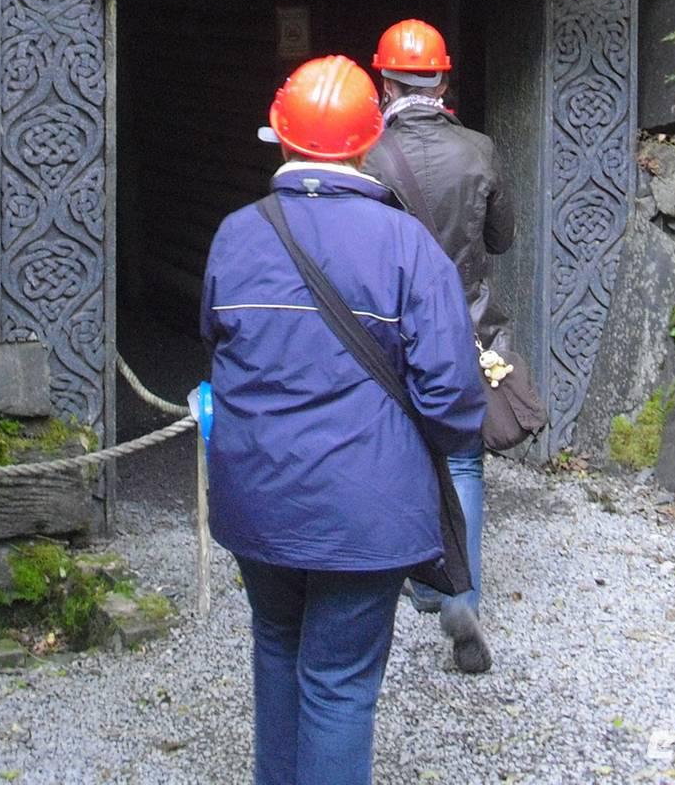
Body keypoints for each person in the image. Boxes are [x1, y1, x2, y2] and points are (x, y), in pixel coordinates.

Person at [201, 54, 487, 785]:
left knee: (276, 647)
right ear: (367, 142)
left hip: (257, 496)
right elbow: (453, 399)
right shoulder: (409, 247)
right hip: (368, 509)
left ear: (281, 137)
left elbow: (217, 346)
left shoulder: (235, 235)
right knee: (338, 682)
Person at [364, 18, 516, 674]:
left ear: (385, 82)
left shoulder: (369, 155)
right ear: (443, 82)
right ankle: (462, 596)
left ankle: (420, 580)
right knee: (463, 461)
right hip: (465, 325)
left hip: (391, 330)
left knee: (400, 452)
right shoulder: (480, 149)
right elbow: (502, 238)